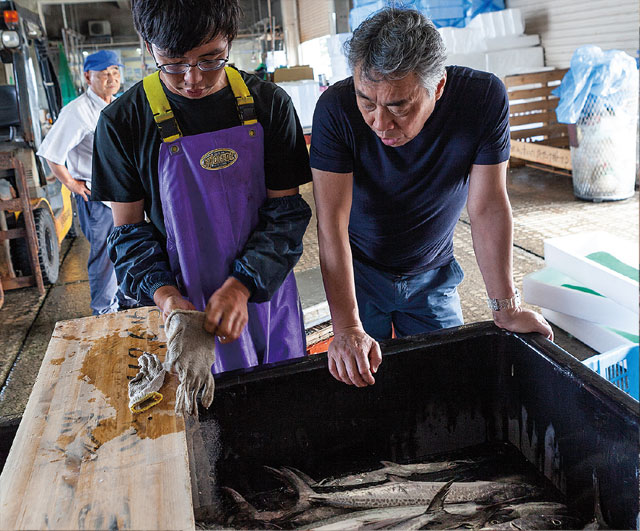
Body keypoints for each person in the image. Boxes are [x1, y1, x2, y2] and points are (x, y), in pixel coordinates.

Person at [310, 8, 553, 388]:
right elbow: (331, 224)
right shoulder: (336, 110)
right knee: (355, 384)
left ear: (437, 87)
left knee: (446, 384)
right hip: (359, 275)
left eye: (398, 106)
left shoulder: (482, 99)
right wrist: (346, 327)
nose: (379, 123)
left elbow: (488, 206)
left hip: (432, 276)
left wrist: (506, 308)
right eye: (367, 102)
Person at [91, 0, 312, 375]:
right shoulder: (122, 122)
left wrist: (243, 284)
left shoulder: (269, 104)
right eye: (174, 63)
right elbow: (128, 232)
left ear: (230, 39)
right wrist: (166, 297)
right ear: (148, 46)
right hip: (185, 308)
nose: (193, 78)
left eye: (211, 59)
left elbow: (285, 215)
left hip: (268, 297)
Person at [37, 49, 134, 315]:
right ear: (88, 77)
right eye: (104, 74)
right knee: (104, 256)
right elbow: (51, 153)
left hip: (121, 193)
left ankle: (124, 299)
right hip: (97, 196)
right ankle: (103, 310)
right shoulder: (77, 111)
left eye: (115, 72)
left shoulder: (115, 103)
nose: (111, 78)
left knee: (127, 248)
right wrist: (72, 184)